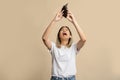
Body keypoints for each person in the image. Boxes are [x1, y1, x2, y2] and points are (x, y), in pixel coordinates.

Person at [42, 10, 86, 80]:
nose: (64, 30)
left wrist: (74, 21)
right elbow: (44, 38)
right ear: (59, 35)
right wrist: (54, 20)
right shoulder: (53, 47)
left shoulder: (74, 47)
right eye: (62, 30)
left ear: (70, 36)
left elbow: (83, 39)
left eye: (66, 30)